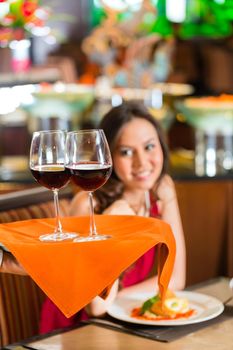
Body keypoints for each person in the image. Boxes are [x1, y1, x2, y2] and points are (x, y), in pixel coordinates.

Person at [39, 100, 186, 331]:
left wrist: (123, 301)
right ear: (107, 156)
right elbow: (96, 306)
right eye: (126, 152)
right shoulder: (88, 204)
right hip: (75, 329)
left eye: (149, 147)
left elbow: (175, 280)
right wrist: (113, 225)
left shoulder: (162, 189)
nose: (142, 162)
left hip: (124, 318)